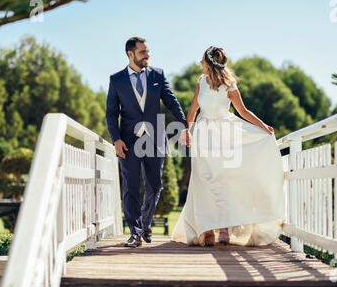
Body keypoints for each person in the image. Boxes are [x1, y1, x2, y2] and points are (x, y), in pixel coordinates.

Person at [171, 46, 285, 247]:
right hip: (203, 135)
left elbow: (243, 111)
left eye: (202, 60)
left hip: (225, 134)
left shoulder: (230, 86)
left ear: (209, 62)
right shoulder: (200, 82)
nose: (199, 63)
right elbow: (193, 109)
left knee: (223, 179)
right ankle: (207, 230)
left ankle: (223, 227)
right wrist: (186, 130)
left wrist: (263, 126)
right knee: (204, 180)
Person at [106, 37, 191, 247]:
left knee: (155, 186)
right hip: (128, 141)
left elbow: (171, 101)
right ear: (130, 54)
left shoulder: (158, 75)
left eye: (148, 51)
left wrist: (185, 126)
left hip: (156, 139)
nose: (147, 55)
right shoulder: (117, 80)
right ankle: (135, 233)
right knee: (131, 187)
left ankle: (144, 224)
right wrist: (116, 139)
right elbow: (111, 113)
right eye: (143, 52)